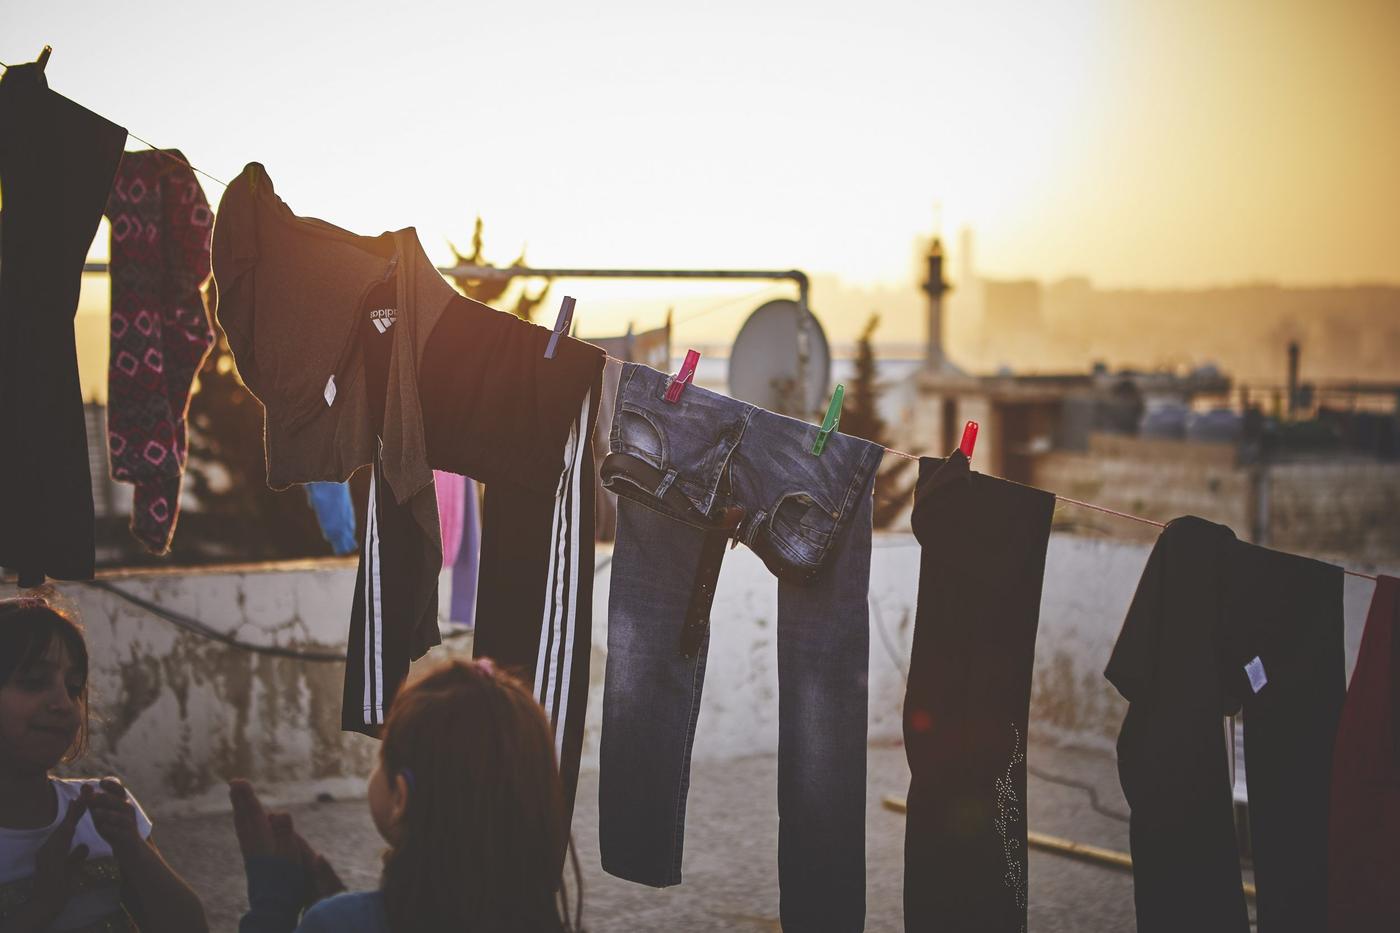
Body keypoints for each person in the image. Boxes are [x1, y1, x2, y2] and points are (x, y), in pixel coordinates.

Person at [233, 658, 578, 932]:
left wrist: (272, 899)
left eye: (382, 758)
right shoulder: (537, 921)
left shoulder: (334, 923)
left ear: (400, 797)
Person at [0, 594, 208, 932]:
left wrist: (132, 849)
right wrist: (42, 907)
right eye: (33, 682)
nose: (63, 703)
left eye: (73, 687)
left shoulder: (102, 814)